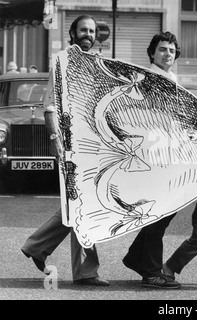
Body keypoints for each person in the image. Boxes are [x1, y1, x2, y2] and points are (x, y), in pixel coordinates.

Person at [21, 15, 110, 286]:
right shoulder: (64, 62)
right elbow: (49, 106)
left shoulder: (94, 64)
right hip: (71, 146)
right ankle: (84, 271)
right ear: (73, 33)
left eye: (92, 31)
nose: (88, 34)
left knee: (77, 204)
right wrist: (55, 139)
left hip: (91, 146)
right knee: (85, 204)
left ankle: (37, 246)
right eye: (83, 30)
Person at [122, 31, 182, 289]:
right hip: (155, 154)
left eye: (171, 50)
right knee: (159, 211)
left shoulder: (171, 78)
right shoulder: (151, 79)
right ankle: (150, 271)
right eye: (162, 50)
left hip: (168, 152)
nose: (167, 54)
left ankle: (138, 258)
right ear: (152, 53)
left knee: (165, 210)